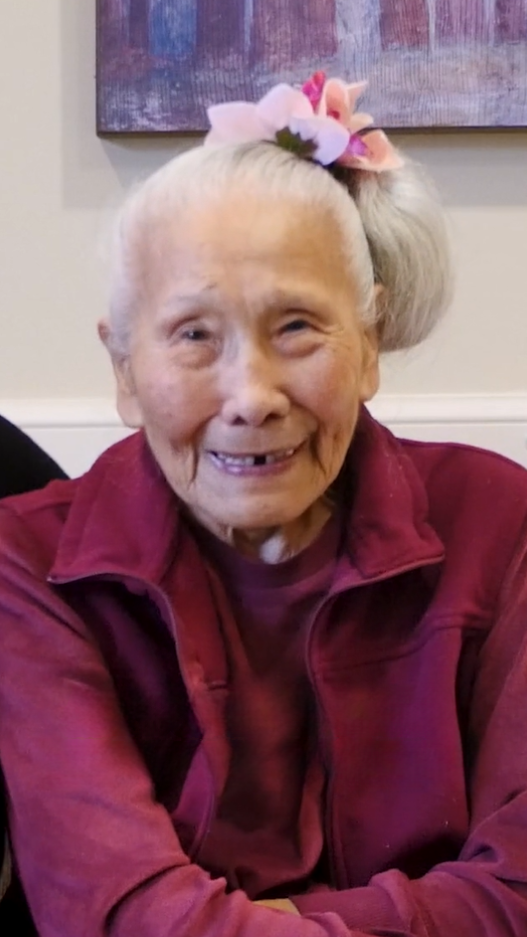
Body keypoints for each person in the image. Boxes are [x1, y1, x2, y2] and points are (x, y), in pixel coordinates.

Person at [0, 72, 527, 937]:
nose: (251, 395)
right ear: (124, 369)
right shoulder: (31, 563)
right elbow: (117, 913)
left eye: (296, 328)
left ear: (366, 345)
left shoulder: (499, 525)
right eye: (194, 335)